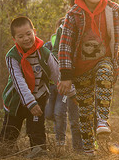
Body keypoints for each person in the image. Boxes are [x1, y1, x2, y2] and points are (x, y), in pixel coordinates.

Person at [57, 0, 119, 156]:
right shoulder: (73, 15)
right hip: (80, 71)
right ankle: (89, 150)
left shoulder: (112, 9)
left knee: (105, 70)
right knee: (85, 111)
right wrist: (66, 75)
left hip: (103, 61)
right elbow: (64, 47)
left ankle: (103, 120)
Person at [0, 16, 75, 158]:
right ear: (14, 39)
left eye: (28, 34)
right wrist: (30, 103)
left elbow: (57, 75)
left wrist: (72, 93)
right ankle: (0, 154)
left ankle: (39, 154)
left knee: (37, 134)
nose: (26, 39)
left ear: (34, 32)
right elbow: (19, 82)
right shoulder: (12, 56)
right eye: (20, 36)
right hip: (16, 102)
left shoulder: (44, 53)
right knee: (9, 135)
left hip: (38, 97)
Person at [44, 16, 83, 152]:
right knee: (50, 114)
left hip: (70, 85)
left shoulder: (74, 43)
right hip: (53, 85)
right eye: (60, 25)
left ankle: (77, 147)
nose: (63, 27)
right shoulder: (50, 44)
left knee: (66, 115)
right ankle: (63, 135)